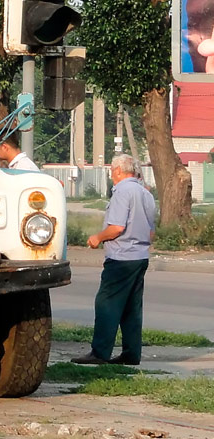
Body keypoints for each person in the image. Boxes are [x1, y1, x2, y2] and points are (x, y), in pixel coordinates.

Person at [72, 154, 157, 366]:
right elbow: (151, 233)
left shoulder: (122, 192)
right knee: (131, 307)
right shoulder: (146, 194)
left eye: (111, 170)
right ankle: (131, 353)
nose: (111, 175)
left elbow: (117, 227)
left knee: (106, 303)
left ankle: (100, 352)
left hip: (121, 256)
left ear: (119, 170)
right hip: (140, 256)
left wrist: (97, 238)